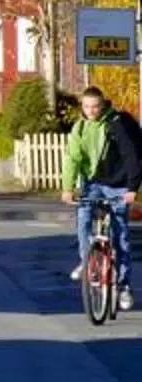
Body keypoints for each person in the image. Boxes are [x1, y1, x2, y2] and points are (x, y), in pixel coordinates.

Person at [62, 87, 142, 290]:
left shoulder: (116, 124)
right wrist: (68, 188)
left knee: (120, 234)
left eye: (95, 106)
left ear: (103, 104)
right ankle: (87, 260)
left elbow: (131, 156)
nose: (91, 111)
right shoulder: (80, 127)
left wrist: (132, 188)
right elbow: (72, 158)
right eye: (87, 106)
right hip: (94, 183)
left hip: (119, 185)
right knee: (83, 217)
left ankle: (124, 286)